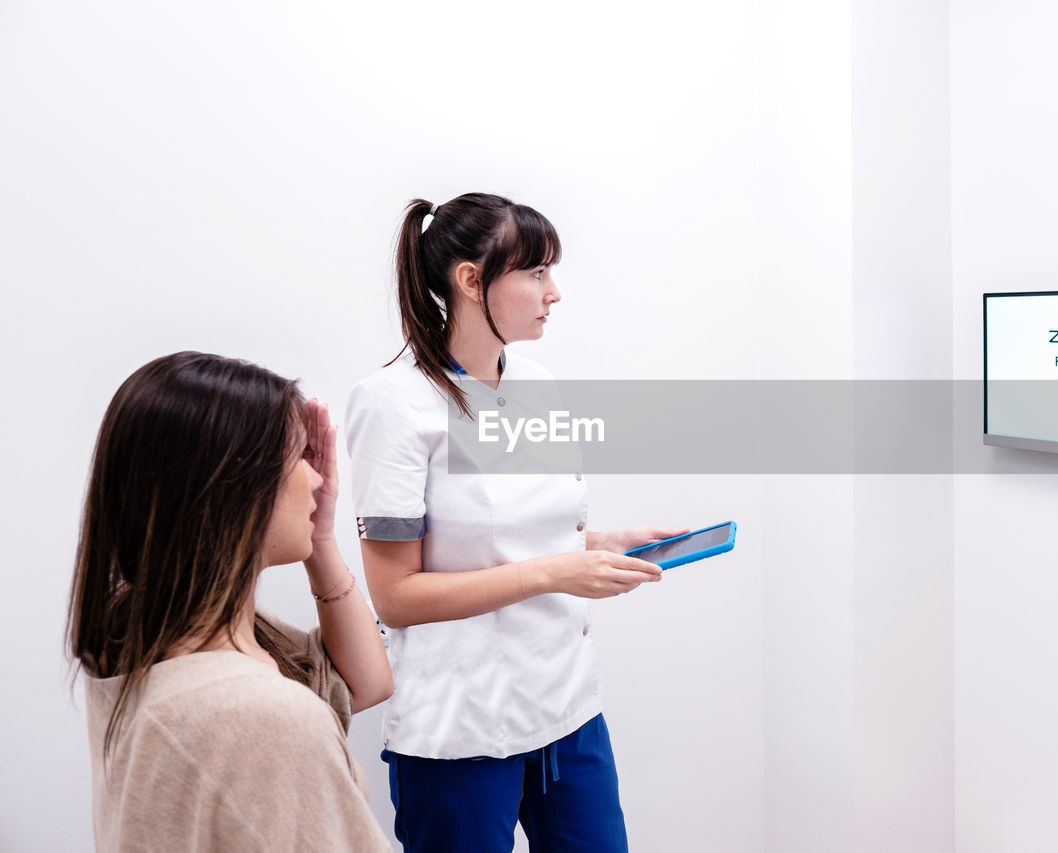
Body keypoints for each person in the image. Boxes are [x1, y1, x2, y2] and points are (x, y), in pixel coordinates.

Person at [347, 193, 685, 852]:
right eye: (535, 273)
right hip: (462, 731)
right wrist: (557, 569)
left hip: (567, 709)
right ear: (470, 280)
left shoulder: (536, 385)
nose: (552, 292)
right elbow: (397, 595)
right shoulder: (393, 405)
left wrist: (598, 546)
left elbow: (509, 534)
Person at [66, 351, 394, 852]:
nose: (317, 478)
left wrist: (320, 538)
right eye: (297, 459)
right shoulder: (258, 714)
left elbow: (365, 684)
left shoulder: (140, 630)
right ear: (234, 491)